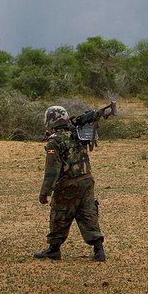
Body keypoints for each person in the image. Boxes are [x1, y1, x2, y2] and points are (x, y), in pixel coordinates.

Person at [34, 105, 105, 261]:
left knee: (59, 215)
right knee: (88, 214)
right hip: (86, 180)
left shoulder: (55, 141)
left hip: (68, 184)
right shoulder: (78, 133)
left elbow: (52, 170)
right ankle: (99, 250)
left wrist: (45, 192)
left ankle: (54, 249)